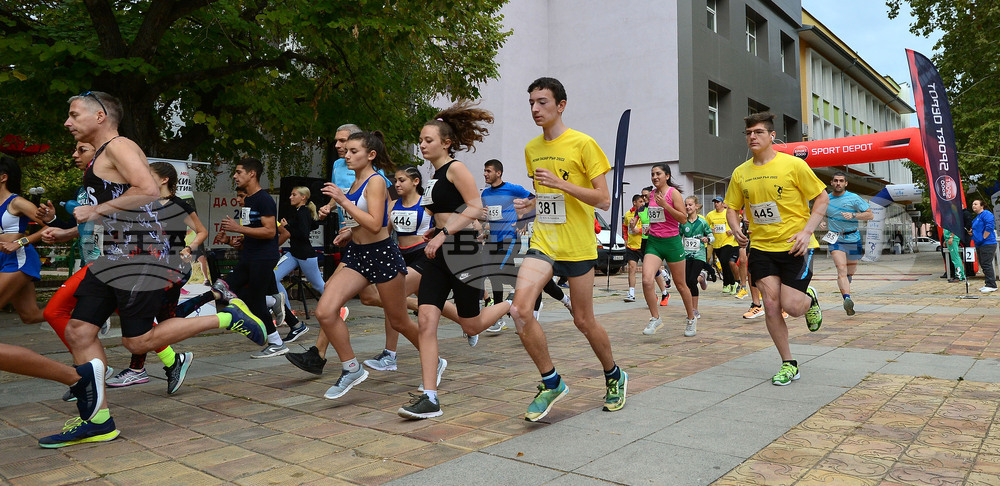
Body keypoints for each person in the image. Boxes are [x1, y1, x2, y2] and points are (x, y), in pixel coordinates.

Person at [38, 91, 265, 448]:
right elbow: (117, 209)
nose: (67, 122)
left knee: (136, 341)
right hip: (114, 257)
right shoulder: (101, 155)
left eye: (73, 114)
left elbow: (146, 189)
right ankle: (98, 420)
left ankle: (227, 316)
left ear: (100, 116)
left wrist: (95, 211)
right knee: (80, 332)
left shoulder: (119, 145)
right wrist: (66, 231)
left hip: (140, 257)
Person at [506, 77, 626, 422]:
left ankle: (614, 374)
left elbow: (603, 198)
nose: (535, 109)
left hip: (577, 245)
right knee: (519, 310)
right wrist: (527, 206)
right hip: (544, 240)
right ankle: (551, 381)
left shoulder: (583, 144)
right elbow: (545, 198)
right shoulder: (531, 148)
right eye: (531, 102)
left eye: (542, 102)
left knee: (583, 320)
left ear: (561, 105)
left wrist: (562, 184)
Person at [396, 102, 513, 420]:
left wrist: (443, 232)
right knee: (425, 320)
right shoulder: (433, 176)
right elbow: (444, 211)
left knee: (471, 323)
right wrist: (433, 230)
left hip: (461, 250)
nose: (422, 144)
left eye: (428, 140)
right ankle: (430, 396)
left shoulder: (456, 169)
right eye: (420, 140)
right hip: (436, 251)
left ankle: (512, 305)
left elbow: (476, 207)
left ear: (446, 142)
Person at [724, 112, 827, 387]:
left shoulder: (793, 165)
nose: (752, 137)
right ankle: (788, 363)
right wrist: (735, 228)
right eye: (748, 133)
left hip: (795, 246)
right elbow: (732, 208)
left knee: (792, 307)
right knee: (770, 305)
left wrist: (807, 231)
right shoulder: (740, 173)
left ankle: (810, 300)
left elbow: (821, 197)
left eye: (758, 132)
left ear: (772, 136)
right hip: (761, 248)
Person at [105, 162, 207, 388]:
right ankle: (173, 362)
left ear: (163, 180)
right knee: (164, 321)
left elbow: (201, 231)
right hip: (146, 268)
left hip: (171, 268)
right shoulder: (144, 204)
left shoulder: (179, 205)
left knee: (143, 315)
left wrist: (189, 248)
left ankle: (138, 368)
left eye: (149, 175)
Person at [481, 159, 572, 331]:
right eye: (484, 171)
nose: (485, 174)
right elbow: (489, 216)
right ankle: (503, 313)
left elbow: (531, 201)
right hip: (493, 241)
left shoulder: (513, 189)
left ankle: (519, 304)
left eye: (488, 171)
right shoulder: (485, 194)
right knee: (497, 277)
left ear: (498, 173)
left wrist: (522, 220)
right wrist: (483, 222)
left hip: (510, 240)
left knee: (505, 274)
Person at [641, 163, 696, 337]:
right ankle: (655, 317)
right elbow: (655, 216)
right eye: (652, 174)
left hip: (672, 243)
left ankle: (691, 318)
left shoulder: (674, 194)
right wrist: (650, 226)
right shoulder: (651, 194)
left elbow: (683, 219)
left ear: (667, 175)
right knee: (646, 279)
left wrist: (666, 205)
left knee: (681, 285)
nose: (655, 177)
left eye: (658, 173)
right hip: (654, 243)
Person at [0, 157, 49, 325]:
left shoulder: (17, 202)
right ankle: (87, 314)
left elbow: (49, 226)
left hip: (19, 258)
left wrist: (19, 243)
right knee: (30, 316)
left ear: (3, 177)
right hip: (2, 259)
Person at [273, 185, 325, 342]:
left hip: (305, 255)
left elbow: (303, 234)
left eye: (293, 194)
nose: (290, 197)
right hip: (294, 253)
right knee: (273, 276)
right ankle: (287, 312)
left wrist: (286, 227)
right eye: (290, 194)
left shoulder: (302, 212)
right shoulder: (302, 212)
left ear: (303, 197)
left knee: (318, 285)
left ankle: (339, 306)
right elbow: (313, 225)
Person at [822, 171, 872, 315]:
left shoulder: (854, 198)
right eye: (835, 180)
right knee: (841, 270)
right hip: (835, 239)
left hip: (853, 238)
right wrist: (822, 222)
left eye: (841, 181)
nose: (838, 183)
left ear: (846, 183)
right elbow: (820, 214)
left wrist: (854, 215)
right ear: (831, 183)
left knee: (851, 271)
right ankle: (847, 299)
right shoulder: (826, 199)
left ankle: (846, 286)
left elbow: (870, 214)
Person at [681, 195, 713, 329]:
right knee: (687, 281)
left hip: (699, 255)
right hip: (686, 255)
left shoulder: (703, 222)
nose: (688, 207)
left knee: (691, 281)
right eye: (686, 205)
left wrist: (707, 239)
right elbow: (678, 237)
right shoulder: (683, 222)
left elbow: (712, 236)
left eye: (690, 205)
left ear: (696, 206)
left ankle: (694, 309)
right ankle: (702, 277)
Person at [639, 186, 670, 303]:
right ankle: (661, 293)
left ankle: (663, 292)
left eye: (646, 195)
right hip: (644, 241)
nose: (644, 198)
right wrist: (633, 225)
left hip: (656, 240)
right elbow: (635, 223)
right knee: (650, 272)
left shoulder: (656, 206)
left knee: (653, 271)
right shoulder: (641, 210)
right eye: (642, 195)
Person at [705, 196, 739, 295]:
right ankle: (727, 284)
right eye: (715, 202)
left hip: (727, 241)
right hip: (716, 243)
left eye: (718, 202)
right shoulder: (710, 215)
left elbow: (737, 223)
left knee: (725, 261)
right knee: (724, 264)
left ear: (723, 203)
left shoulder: (728, 212)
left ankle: (732, 283)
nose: (716, 204)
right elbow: (706, 227)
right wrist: (710, 230)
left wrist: (732, 231)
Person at [970, 199, 997, 293]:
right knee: (983, 264)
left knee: (986, 264)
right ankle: (988, 283)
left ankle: (992, 285)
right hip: (979, 244)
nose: (973, 206)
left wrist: (983, 237)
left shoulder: (986, 214)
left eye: (976, 204)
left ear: (982, 206)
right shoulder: (977, 217)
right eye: (973, 204)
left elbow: (990, 226)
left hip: (987, 243)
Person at [623, 194, 644, 302]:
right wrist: (625, 239)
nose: (642, 203)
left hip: (644, 245)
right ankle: (631, 293)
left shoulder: (644, 213)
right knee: (631, 268)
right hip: (632, 247)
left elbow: (650, 227)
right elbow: (625, 227)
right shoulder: (628, 214)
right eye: (640, 201)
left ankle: (663, 286)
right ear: (634, 203)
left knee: (652, 271)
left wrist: (639, 231)